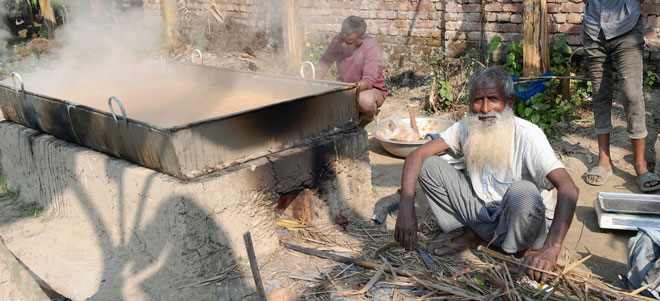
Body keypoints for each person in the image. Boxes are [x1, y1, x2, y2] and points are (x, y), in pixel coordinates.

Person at [394, 67, 580, 283]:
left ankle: (518, 252)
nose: (484, 109)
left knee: (523, 191)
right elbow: (416, 156)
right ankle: (475, 235)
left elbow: (569, 188)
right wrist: (406, 207)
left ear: (509, 101)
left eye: (493, 99)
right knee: (429, 165)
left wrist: (552, 248)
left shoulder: (528, 135)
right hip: (484, 216)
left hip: (524, 226)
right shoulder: (466, 127)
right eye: (477, 100)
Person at [582, 0, 660, 192]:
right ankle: (604, 161)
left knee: (631, 93)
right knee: (600, 93)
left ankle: (640, 165)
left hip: (626, 25)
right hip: (594, 27)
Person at [315, 16, 388, 125]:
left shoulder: (371, 47)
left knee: (364, 101)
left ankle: (368, 120)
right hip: (346, 88)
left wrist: (344, 93)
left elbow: (368, 81)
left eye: (349, 43)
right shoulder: (337, 40)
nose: (343, 44)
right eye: (342, 40)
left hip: (371, 91)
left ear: (361, 39)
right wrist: (316, 81)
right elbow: (325, 62)